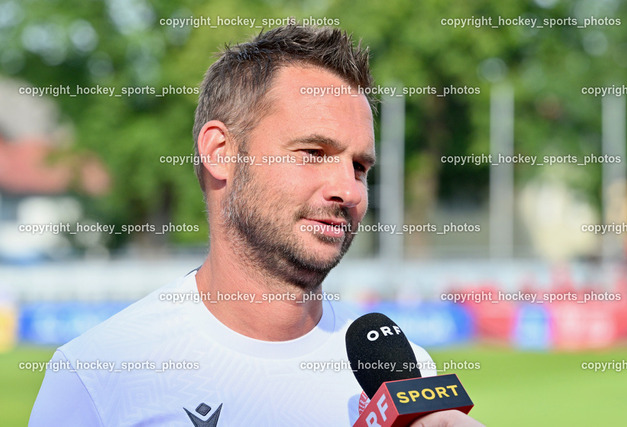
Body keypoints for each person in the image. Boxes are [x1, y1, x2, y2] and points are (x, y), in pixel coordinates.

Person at [30, 24, 483, 426]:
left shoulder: (406, 379)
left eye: (360, 166)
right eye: (313, 153)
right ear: (221, 153)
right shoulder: (98, 376)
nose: (348, 190)